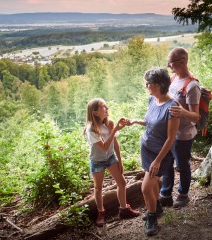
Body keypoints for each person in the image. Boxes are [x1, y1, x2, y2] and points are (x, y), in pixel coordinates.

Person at [125, 67, 180, 236]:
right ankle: (157, 208)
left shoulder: (172, 107)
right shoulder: (152, 100)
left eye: (148, 83)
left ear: (158, 84)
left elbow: (170, 138)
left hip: (160, 154)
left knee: (145, 188)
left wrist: (157, 160)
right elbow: (151, 122)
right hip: (147, 149)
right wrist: (134, 121)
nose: (146, 86)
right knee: (154, 182)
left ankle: (151, 217)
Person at [84, 98, 140, 227]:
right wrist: (114, 130)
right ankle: (101, 212)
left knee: (122, 182)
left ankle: (124, 210)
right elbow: (103, 147)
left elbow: (115, 144)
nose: (107, 108)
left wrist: (120, 161)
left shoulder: (108, 124)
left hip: (110, 158)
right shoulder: (91, 129)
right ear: (95, 112)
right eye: (104, 107)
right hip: (97, 161)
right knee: (98, 188)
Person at [159, 47, 201, 209]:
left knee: (182, 165)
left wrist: (182, 111)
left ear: (182, 62)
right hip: (169, 132)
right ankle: (166, 194)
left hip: (183, 134)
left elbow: (195, 116)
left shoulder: (192, 86)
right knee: (167, 163)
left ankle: (183, 195)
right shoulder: (173, 78)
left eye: (171, 63)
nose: (169, 66)